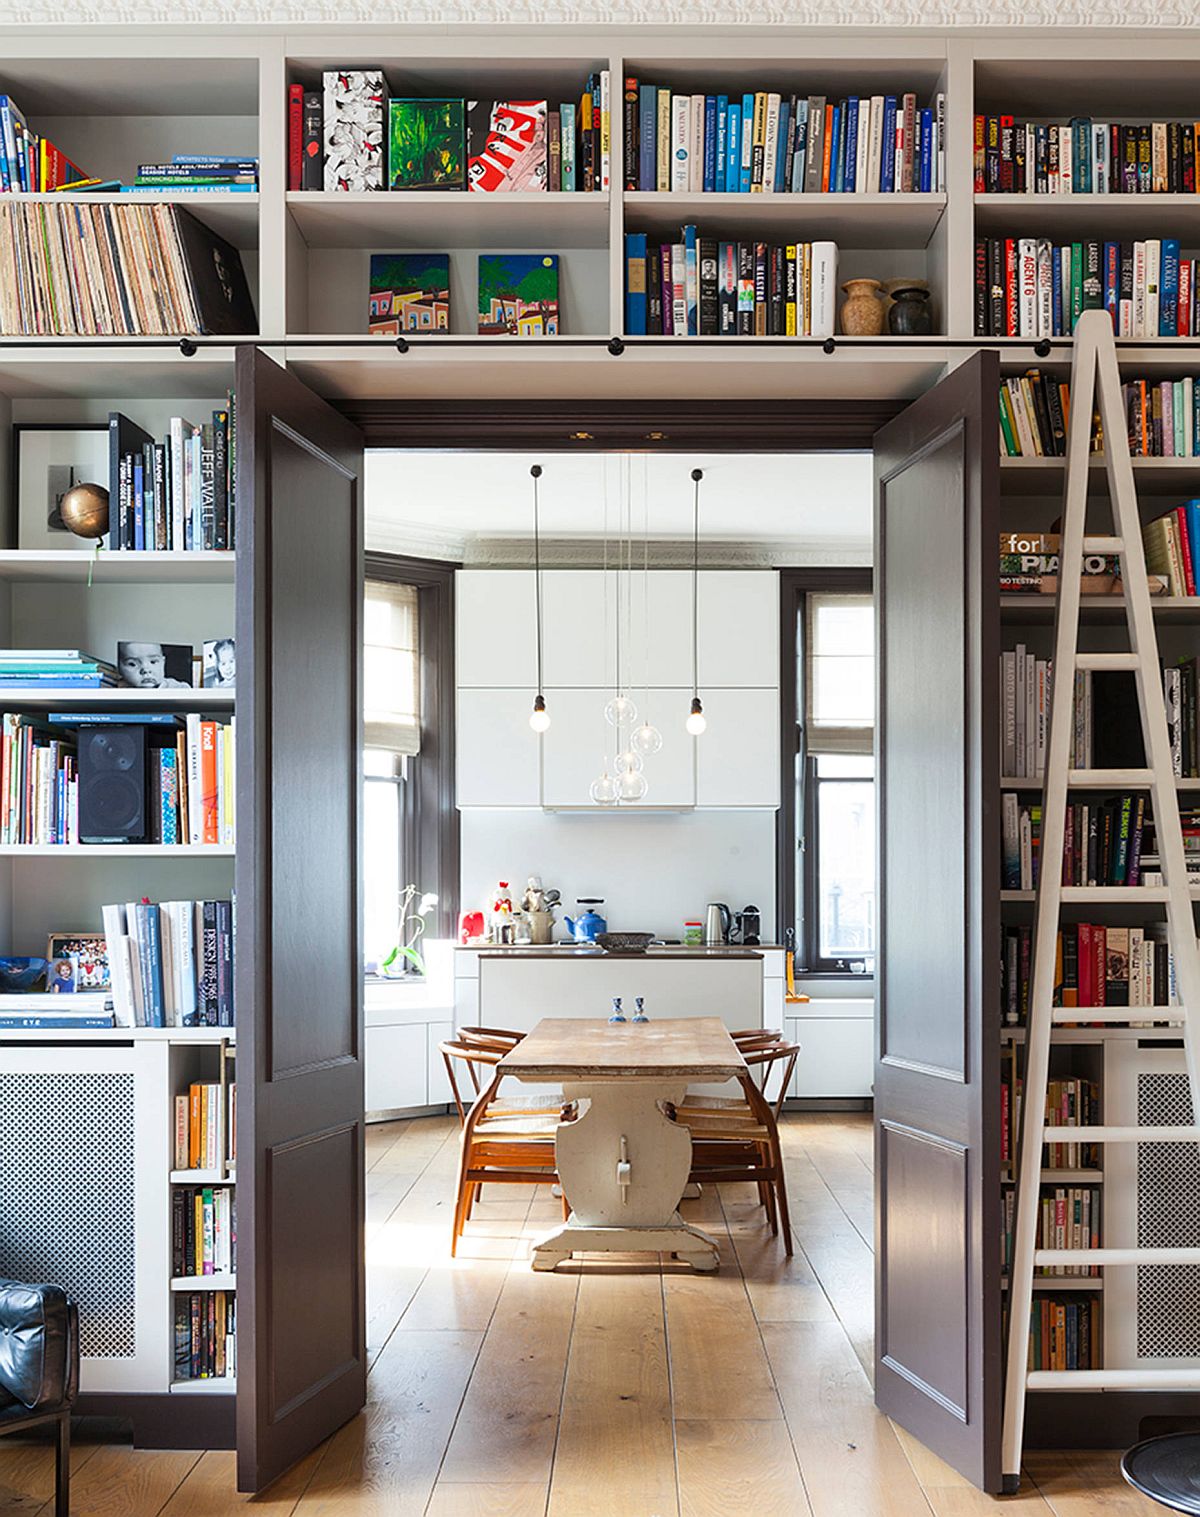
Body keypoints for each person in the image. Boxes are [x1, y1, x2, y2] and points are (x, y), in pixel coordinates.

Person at [118, 642, 190, 689]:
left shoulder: (176, 688)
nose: (146, 670)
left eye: (153, 662)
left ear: (163, 662)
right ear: (119, 668)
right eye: (132, 664)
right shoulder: (119, 691)